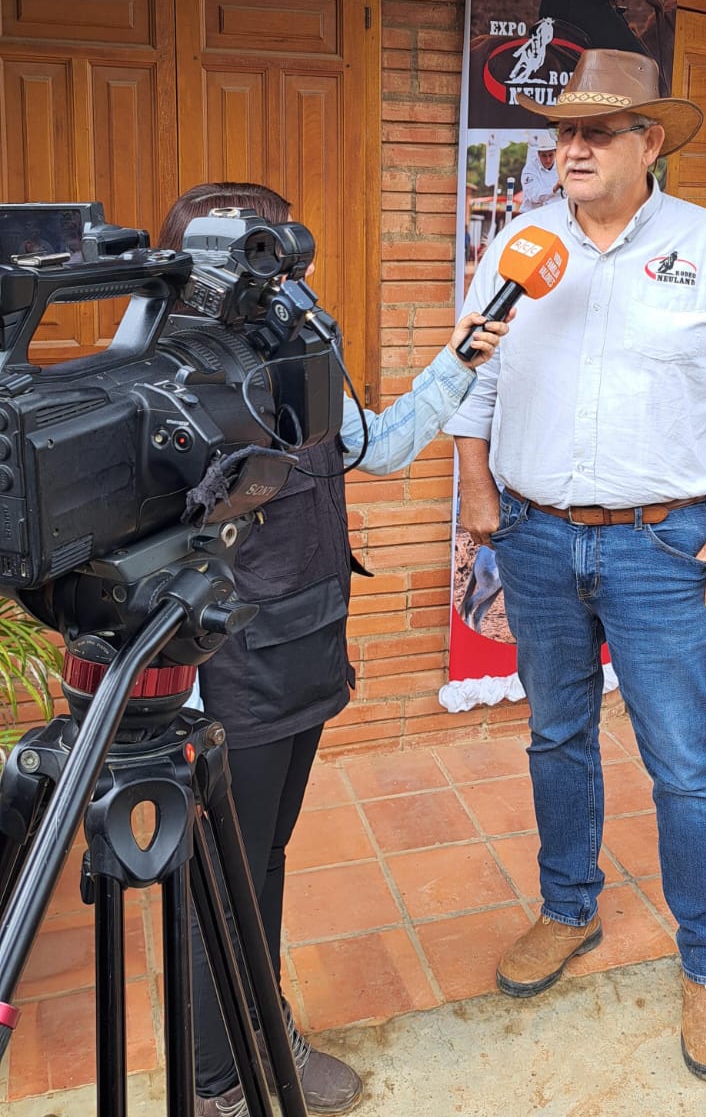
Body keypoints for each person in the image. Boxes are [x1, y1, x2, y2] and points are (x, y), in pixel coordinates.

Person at [445, 49, 706, 1083]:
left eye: (597, 132)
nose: (571, 148)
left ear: (650, 142)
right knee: (557, 733)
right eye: (563, 131)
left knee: (680, 758)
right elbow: (470, 374)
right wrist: (476, 496)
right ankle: (568, 909)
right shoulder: (519, 246)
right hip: (535, 532)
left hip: (663, 543)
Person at [157, 181, 510, 1117]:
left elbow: (378, 450)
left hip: (305, 647)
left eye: (279, 254)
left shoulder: (300, 355)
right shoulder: (163, 378)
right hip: (225, 668)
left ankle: (258, 1031)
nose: (274, 275)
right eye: (251, 254)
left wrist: (458, 362)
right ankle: (217, 1080)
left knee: (263, 856)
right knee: (217, 879)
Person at [519, 129, 561, 212]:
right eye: (544, 156)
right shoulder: (529, 170)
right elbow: (534, 196)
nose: (548, 159)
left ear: (556, 153)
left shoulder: (562, 167)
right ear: (538, 154)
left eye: (550, 155)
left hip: (554, 216)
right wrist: (554, 189)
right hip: (531, 216)